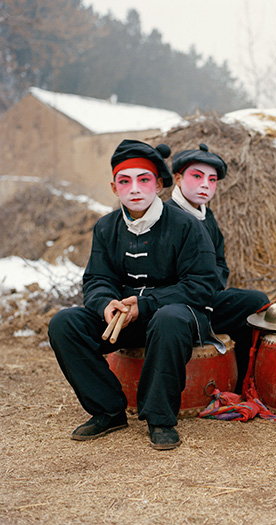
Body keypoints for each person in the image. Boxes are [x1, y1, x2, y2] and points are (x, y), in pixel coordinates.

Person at [48, 139, 217, 450]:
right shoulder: (106, 227)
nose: (135, 189)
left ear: (159, 184)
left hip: (178, 317)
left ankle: (160, 418)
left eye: (144, 180)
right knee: (65, 323)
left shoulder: (186, 225)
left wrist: (147, 304)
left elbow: (203, 284)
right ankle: (108, 410)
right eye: (125, 181)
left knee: (168, 319)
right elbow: (98, 278)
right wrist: (105, 304)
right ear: (114, 188)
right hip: (127, 318)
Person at [167, 143, 269, 392]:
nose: (205, 185)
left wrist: (212, 290)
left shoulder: (207, 217)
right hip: (177, 305)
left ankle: (243, 384)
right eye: (197, 176)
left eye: (212, 180)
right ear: (178, 178)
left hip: (207, 299)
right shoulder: (165, 217)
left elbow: (220, 264)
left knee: (255, 303)